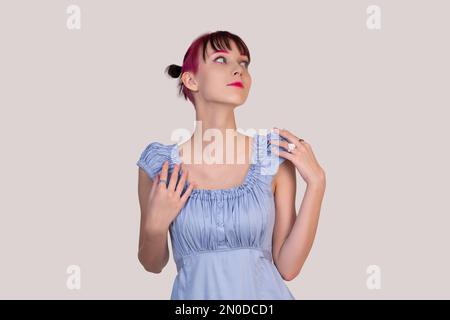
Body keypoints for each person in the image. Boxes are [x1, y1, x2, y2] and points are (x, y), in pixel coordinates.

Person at [136, 30, 326, 299]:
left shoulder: (273, 157)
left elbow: (288, 267)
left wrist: (317, 183)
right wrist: (155, 227)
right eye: (221, 60)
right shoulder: (159, 165)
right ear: (190, 79)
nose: (238, 70)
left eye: (244, 63)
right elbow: (152, 263)